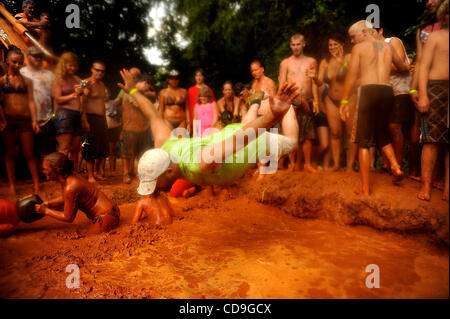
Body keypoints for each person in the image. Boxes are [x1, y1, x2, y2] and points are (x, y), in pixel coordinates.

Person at [116, 69, 299, 198]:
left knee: (292, 142)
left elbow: (240, 140)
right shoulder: (164, 144)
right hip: (229, 133)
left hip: (252, 141)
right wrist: (132, 91)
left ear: (169, 171)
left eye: (155, 183)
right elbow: (152, 113)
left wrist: (274, 115)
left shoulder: (199, 162)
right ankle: (255, 103)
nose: (155, 188)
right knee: (243, 124)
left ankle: (289, 106)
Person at [340, 20, 410, 195]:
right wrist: (410, 66)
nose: (352, 41)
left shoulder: (359, 49)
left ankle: (365, 188)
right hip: (387, 91)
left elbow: (352, 75)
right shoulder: (387, 47)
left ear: (364, 32)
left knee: (363, 141)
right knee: (381, 132)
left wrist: (344, 101)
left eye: (353, 37)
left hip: (369, 91)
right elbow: (402, 67)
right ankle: (395, 166)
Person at [373, 26, 419, 178]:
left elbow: (402, 67)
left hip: (401, 90)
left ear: (380, 30)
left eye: (373, 31)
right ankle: (389, 165)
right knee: (386, 128)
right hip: (384, 91)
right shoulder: (373, 48)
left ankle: (398, 166)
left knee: (395, 127)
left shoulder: (392, 41)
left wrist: (377, 68)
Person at [34, 152, 120, 233]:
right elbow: (65, 198)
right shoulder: (68, 177)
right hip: (111, 212)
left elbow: (68, 217)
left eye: (46, 169)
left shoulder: (70, 187)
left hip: (106, 217)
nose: (44, 171)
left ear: (57, 170)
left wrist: (46, 211)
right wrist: (47, 204)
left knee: (85, 238)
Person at [417, 0, 449, 201]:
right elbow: (423, 67)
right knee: (431, 141)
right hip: (435, 87)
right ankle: (426, 186)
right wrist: (422, 94)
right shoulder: (435, 37)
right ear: (444, 15)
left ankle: (447, 187)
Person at [0, 47, 40, 196]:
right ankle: (12, 184)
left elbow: (31, 101)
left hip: (25, 119)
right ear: (7, 61)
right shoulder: (2, 81)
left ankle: (36, 184)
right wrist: (2, 121)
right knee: (10, 153)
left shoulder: (27, 81)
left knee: (29, 153)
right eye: (14, 62)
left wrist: (35, 120)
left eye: (20, 63)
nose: (17, 65)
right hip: (9, 120)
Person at [279, 33, 320, 172]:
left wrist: (316, 101)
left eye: (298, 44)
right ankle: (292, 163)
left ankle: (307, 164)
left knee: (307, 133)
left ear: (303, 44)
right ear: (290, 45)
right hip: (291, 101)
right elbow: (281, 83)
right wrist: (283, 101)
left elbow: (314, 82)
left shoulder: (311, 61)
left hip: (307, 100)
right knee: (291, 133)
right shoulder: (285, 63)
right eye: (293, 45)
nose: (295, 47)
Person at [318, 34, 357, 172]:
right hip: (331, 100)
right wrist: (313, 78)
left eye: (335, 44)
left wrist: (340, 61)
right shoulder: (325, 62)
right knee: (335, 132)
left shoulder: (349, 57)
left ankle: (350, 166)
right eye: (330, 45)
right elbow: (319, 82)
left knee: (350, 132)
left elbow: (353, 74)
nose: (332, 47)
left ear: (342, 45)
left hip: (348, 98)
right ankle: (336, 164)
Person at [52, 52, 89, 173]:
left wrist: (83, 117)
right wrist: (74, 94)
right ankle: (60, 174)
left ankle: (74, 173)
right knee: (64, 148)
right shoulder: (58, 79)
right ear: (63, 65)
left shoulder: (77, 79)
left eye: (75, 65)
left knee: (76, 148)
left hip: (77, 114)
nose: (73, 68)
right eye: (70, 65)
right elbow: (58, 99)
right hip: (64, 114)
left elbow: (82, 98)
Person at [20, 46, 55, 164]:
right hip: (26, 118)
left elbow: (54, 96)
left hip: (47, 118)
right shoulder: (21, 73)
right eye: (35, 56)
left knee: (46, 148)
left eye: (40, 56)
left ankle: (46, 174)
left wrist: (54, 114)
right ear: (28, 56)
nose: (39, 58)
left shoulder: (49, 75)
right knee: (28, 150)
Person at [118, 74, 153, 184]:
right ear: (145, 83)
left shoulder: (140, 93)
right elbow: (139, 105)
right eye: (148, 87)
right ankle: (125, 174)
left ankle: (138, 172)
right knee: (127, 152)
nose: (148, 90)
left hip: (143, 127)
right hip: (130, 127)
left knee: (142, 152)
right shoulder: (129, 91)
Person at [81, 61, 109, 183]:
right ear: (92, 69)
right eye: (97, 70)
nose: (100, 73)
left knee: (101, 147)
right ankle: (90, 175)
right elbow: (81, 102)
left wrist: (104, 120)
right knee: (89, 147)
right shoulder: (84, 82)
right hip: (89, 118)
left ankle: (96, 172)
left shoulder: (102, 85)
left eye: (102, 71)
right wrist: (84, 120)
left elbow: (102, 103)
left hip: (101, 119)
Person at [104, 88, 121, 176]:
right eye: (104, 93)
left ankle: (112, 170)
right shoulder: (98, 104)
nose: (105, 94)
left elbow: (121, 97)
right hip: (102, 129)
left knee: (112, 151)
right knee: (101, 151)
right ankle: (100, 171)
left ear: (110, 94)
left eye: (107, 92)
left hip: (113, 129)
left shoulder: (113, 103)